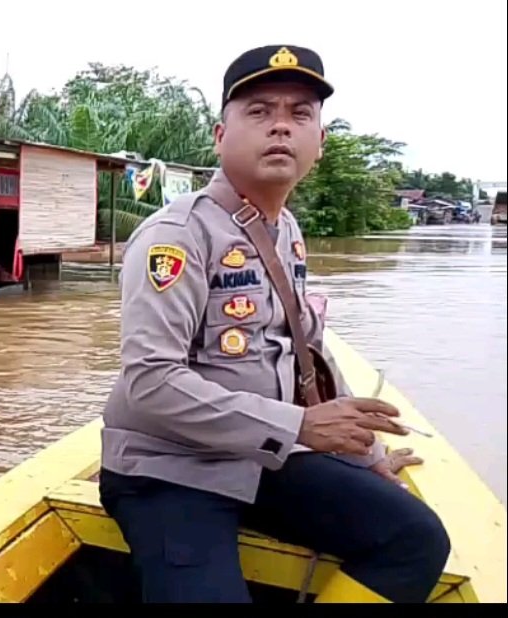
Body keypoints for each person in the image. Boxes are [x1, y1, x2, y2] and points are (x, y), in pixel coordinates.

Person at [98, 44, 451, 603]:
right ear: (220, 136)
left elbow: (307, 354)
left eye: (299, 114)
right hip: (169, 468)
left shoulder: (284, 229)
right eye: (259, 112)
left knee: (416, 538)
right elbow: (150, 383)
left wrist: (367, 453)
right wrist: (299, 427)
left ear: (320, 142)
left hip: (261, 456)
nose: (281, 127)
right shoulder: (178, 237)